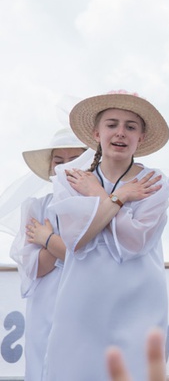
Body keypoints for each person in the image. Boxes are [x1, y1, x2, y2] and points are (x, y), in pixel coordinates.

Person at [44, 90, 169, 381]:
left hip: (139, 303)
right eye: (112, 124)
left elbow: (135, 242)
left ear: (141, 138)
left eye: (131, 127)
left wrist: (100, 197)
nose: (121, 133)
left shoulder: (156, 182)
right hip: (82, 303)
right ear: (96, 133)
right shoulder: (70, 178)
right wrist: (119, 198)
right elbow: (77, 240)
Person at [8, 129, 86, 381]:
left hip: (86, 302)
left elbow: (90, 259)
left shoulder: (99, 206)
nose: (64, 168)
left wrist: (47, 239)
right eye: (58, 161)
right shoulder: (36, 207)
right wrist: (56, 246)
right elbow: (36, 268)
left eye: (74, 161)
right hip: (46, 305)